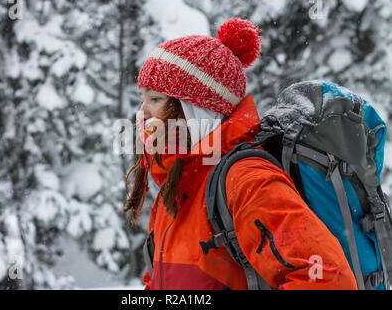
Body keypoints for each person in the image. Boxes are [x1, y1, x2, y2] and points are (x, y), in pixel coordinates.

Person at [124, 18, 357, 290]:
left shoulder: (247, 180)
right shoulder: (175, 183)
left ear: (196, 108)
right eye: (142, 99)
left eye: (155, 99)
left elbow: (329, 277)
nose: (142, 113)